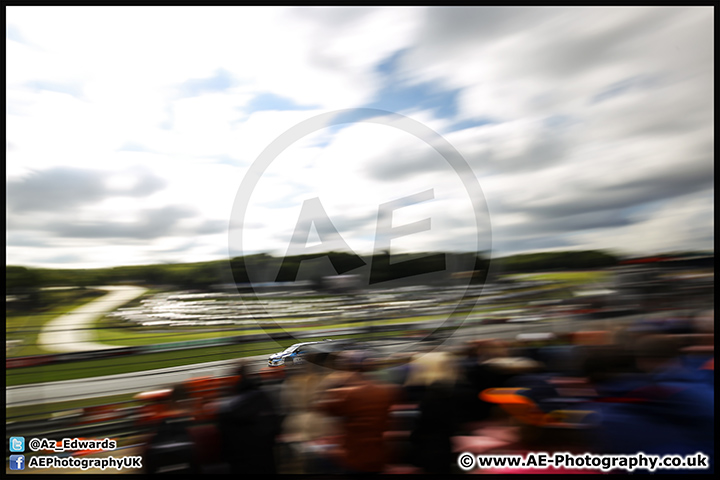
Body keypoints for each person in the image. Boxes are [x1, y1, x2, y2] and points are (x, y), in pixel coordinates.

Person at [314, 351, 400, 474]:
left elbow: (321, 407)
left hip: (355, 457)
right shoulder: (385, 391)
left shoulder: (348, 395)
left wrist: (329, 383)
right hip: (379, 454)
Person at [216, 362, 282, 474]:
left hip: (240, 463)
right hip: (265, 459)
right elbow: (275, 428)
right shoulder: (264, 398)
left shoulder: (226, 408)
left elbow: (224, 443)